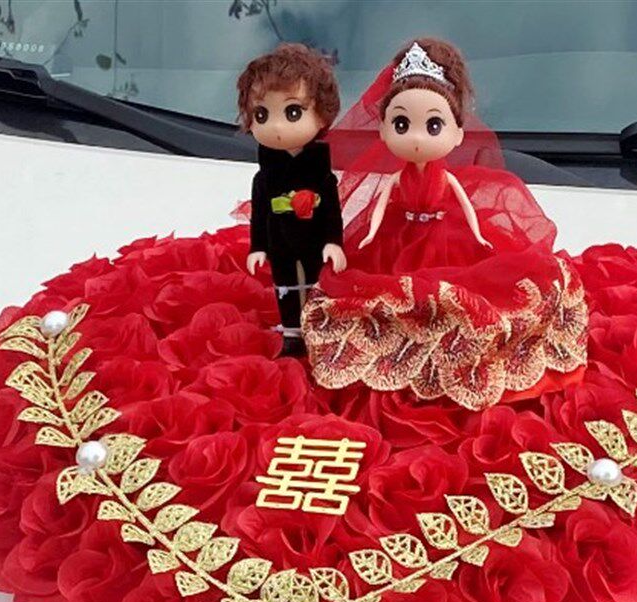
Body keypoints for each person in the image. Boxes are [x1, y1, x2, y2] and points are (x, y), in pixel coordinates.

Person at [302, 38, 588, 410]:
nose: (416, 137)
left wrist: (480, 236)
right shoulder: (396, 179)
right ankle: (407, 346)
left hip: (445, 237)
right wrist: (370, 235)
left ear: (457, 134)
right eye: (402, 123)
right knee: (387, 294)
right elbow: (380, 208)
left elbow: (467, 208)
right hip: (400, 236)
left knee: (459, 293)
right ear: (383, 130)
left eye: (433, 125)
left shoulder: (448, 178)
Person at [238, 43, 346, 356]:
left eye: (293, 112)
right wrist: (257, 247)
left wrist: (334, 242)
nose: (276, 126)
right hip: (279, 240)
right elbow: (259, 214)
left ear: (323, 115)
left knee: (315, 282)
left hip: (314, 240)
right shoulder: (264, 177)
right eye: (261, 114)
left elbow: (332, 211)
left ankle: (316, 329)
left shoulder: (321, 174)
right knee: (284, 283)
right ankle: (291, 333)